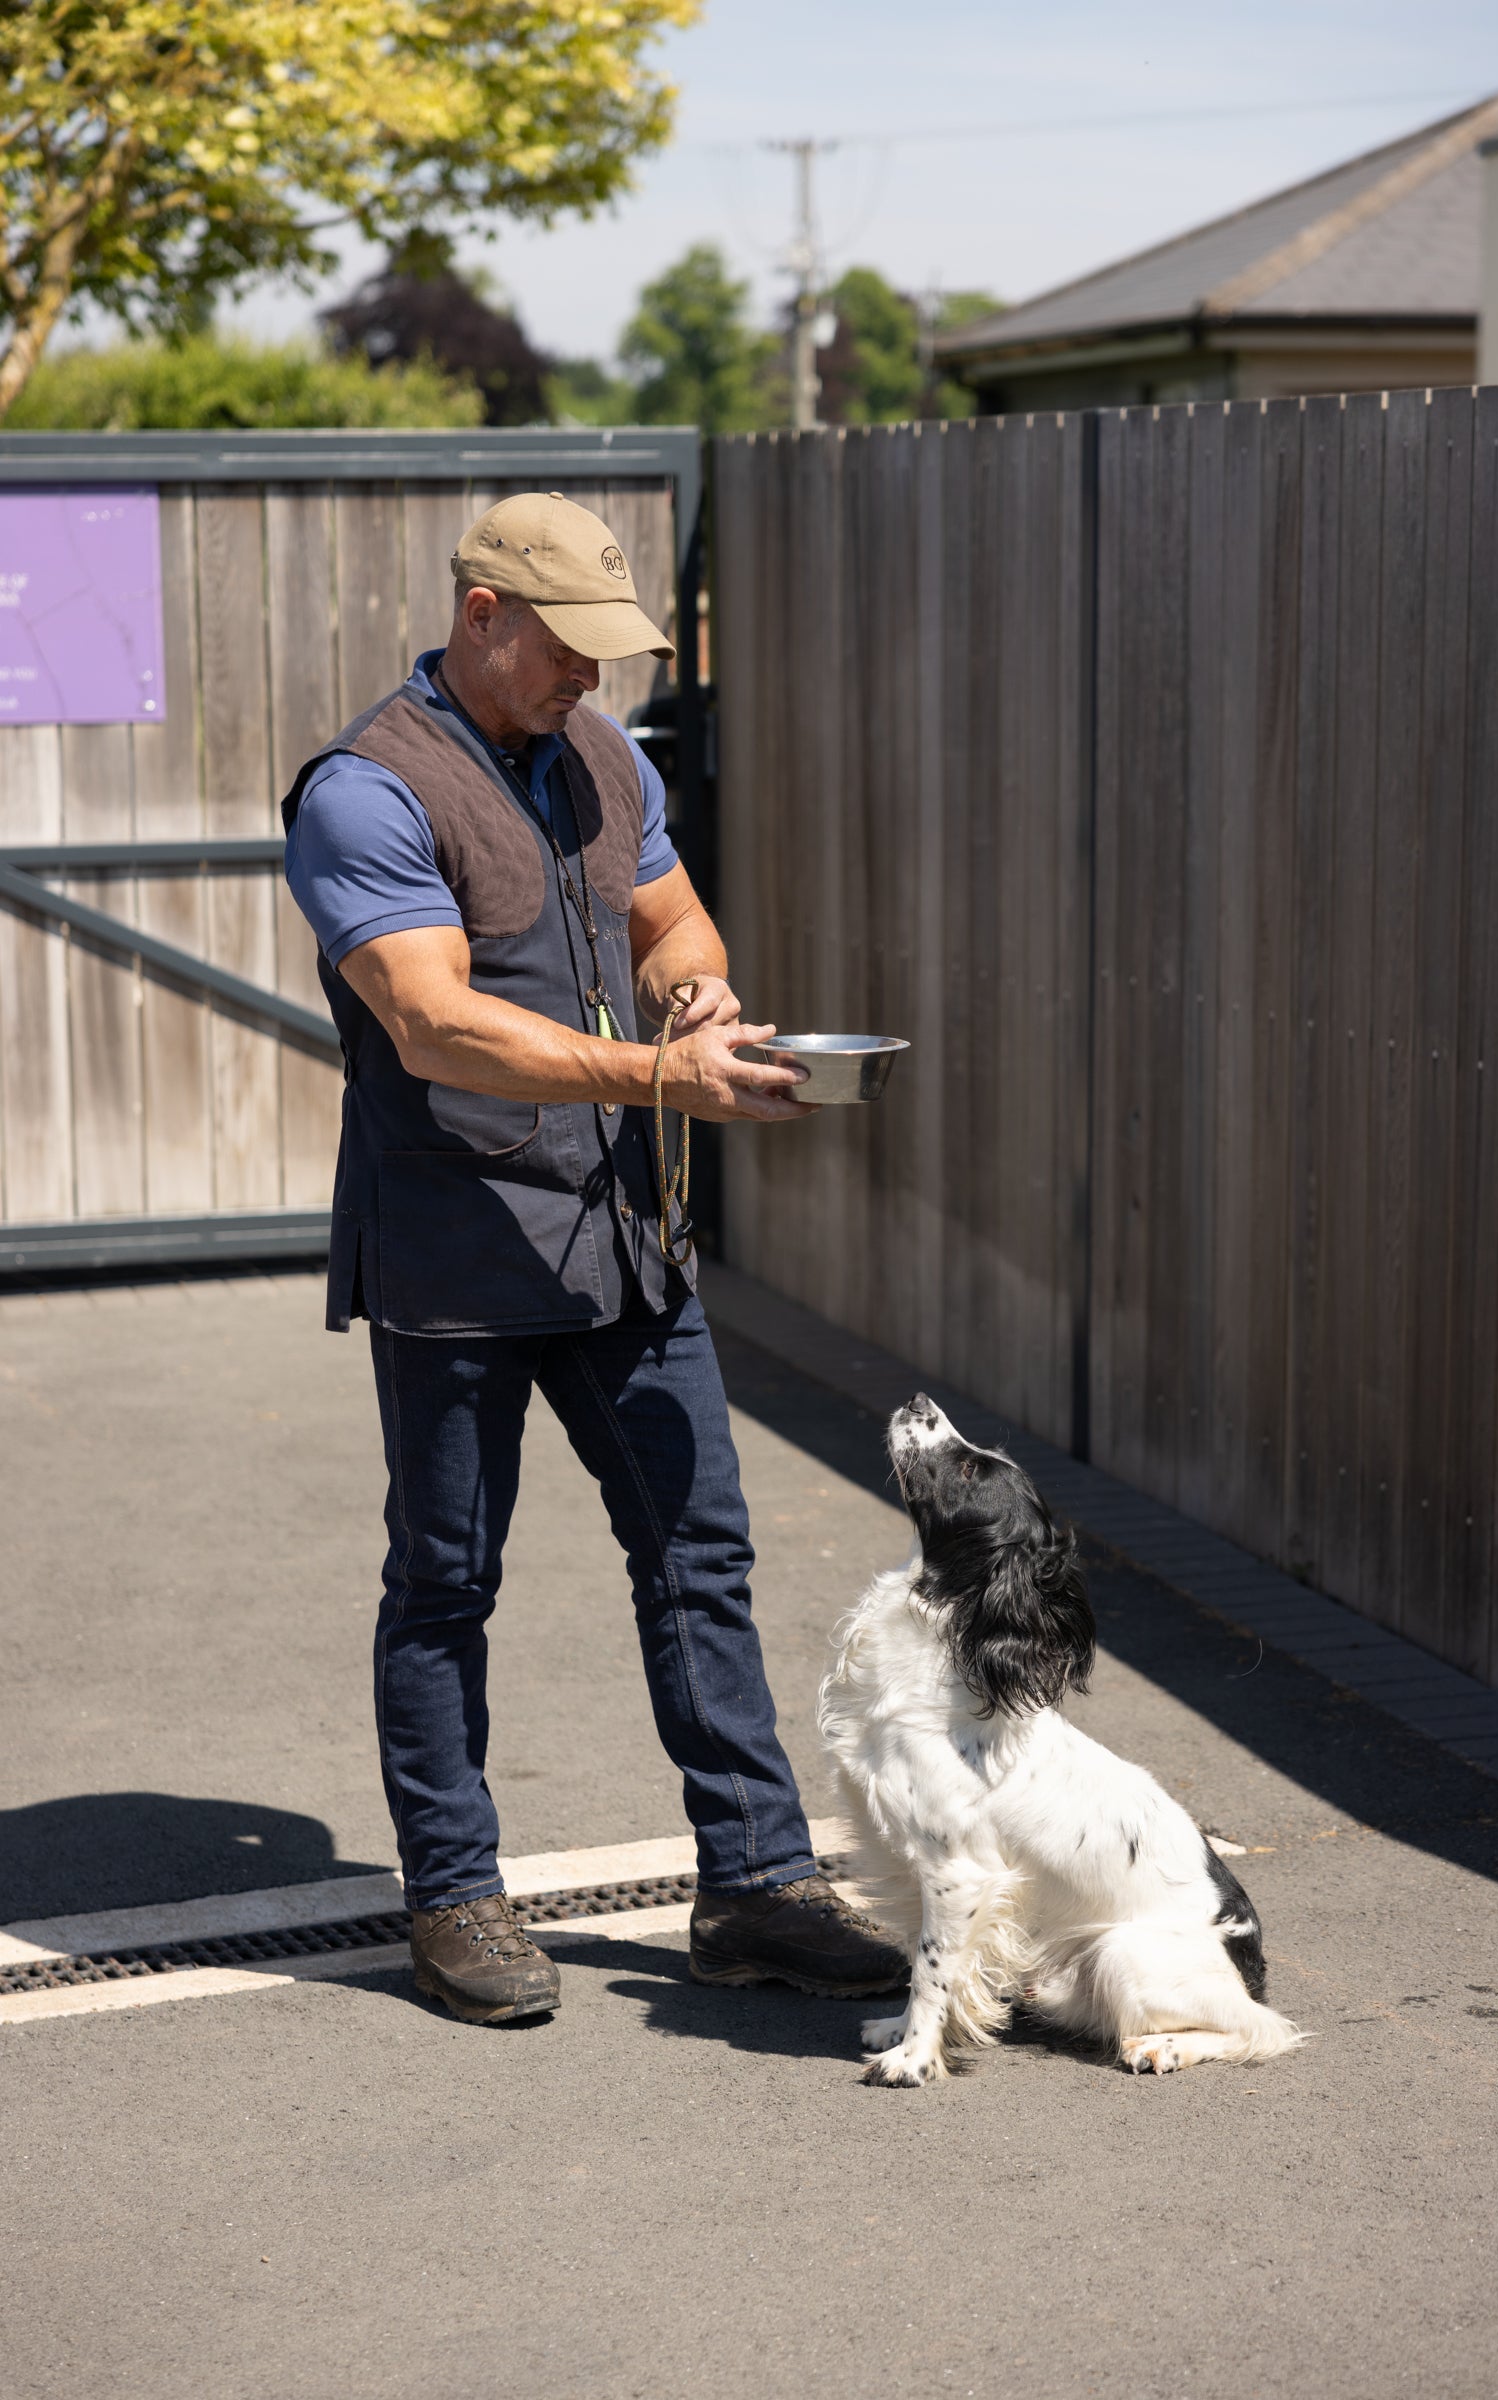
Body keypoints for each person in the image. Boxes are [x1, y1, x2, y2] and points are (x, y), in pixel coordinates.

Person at [282, 492, 906, 2025]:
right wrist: (658, 1079)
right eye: (567, 647)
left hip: (623, 1236)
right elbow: (435, 1026)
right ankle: (453, 1898)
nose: (590, 675)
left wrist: (695, 993)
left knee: (700, 1559)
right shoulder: (366, 791)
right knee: (445, 1582)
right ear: (482, 613)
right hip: (453, 1251)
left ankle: (755, 1887)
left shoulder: (608, 758)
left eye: (606, 652)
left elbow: (672, 923)